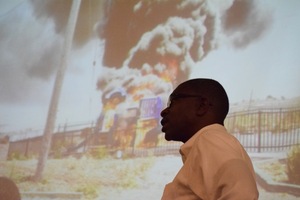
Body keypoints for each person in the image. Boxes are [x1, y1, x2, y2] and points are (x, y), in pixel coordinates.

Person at [160, 78, 259, 200]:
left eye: (172, 102)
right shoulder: (210, 142)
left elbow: (244, 193)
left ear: (202, 106)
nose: (164, 111)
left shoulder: (211, 139)